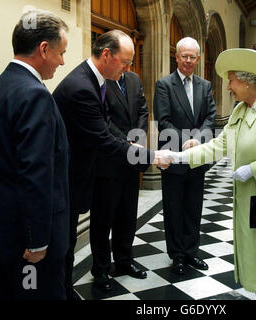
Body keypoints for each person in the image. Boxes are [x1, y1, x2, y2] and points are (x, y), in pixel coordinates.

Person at [170, 48, 256, 300]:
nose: (229, 86)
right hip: (249, 205)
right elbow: (220, 145)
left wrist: (253, 169)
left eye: (231, 80)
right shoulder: (241, 109)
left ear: (246, 80)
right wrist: (178, 157)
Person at [53, 30, 170, 299]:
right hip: (75, 175)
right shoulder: (83, 87)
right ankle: (70, 287)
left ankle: (68, 288)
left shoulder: (95, 81)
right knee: (65, 244)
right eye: (125, 62)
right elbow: (104, 136)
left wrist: (136, 146)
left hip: (98, 164)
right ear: (106, 54)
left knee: (68, 244)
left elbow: (137, 112)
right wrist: (150, 156)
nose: (129, 68)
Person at [0, 9, 70, 300]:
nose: (62, 61)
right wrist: (38, 240)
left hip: (4, 231)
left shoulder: (1, 86)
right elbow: (36, 174)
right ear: (43, 49)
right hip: (28, 242)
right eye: (61, 53)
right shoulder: (35, 94)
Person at [153, 37, 217, 275]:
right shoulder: (164, 85)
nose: (188, 61)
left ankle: (191, 252)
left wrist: (198, 139)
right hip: (173, 157)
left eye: (192, 57)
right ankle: (177, 255)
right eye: (184, 56)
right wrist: (185, 141)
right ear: (176, 57)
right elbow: (164, 121)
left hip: (197, 157)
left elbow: (211, 117)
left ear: (197, 59)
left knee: (194, 206)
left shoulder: (205, 85)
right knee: (173, 208)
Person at [90, 71, 149, 280]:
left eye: (130, 61)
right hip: (108, 162)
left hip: (131, 162)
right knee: (103, 220)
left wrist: (139, 142)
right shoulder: (100, 81)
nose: (127, 65)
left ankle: (124, 261)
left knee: (127, 217)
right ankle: (101, 269)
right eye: (124, 59)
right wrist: (127, 143)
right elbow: (104, 120)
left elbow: (143, 111)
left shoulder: (133, 79)